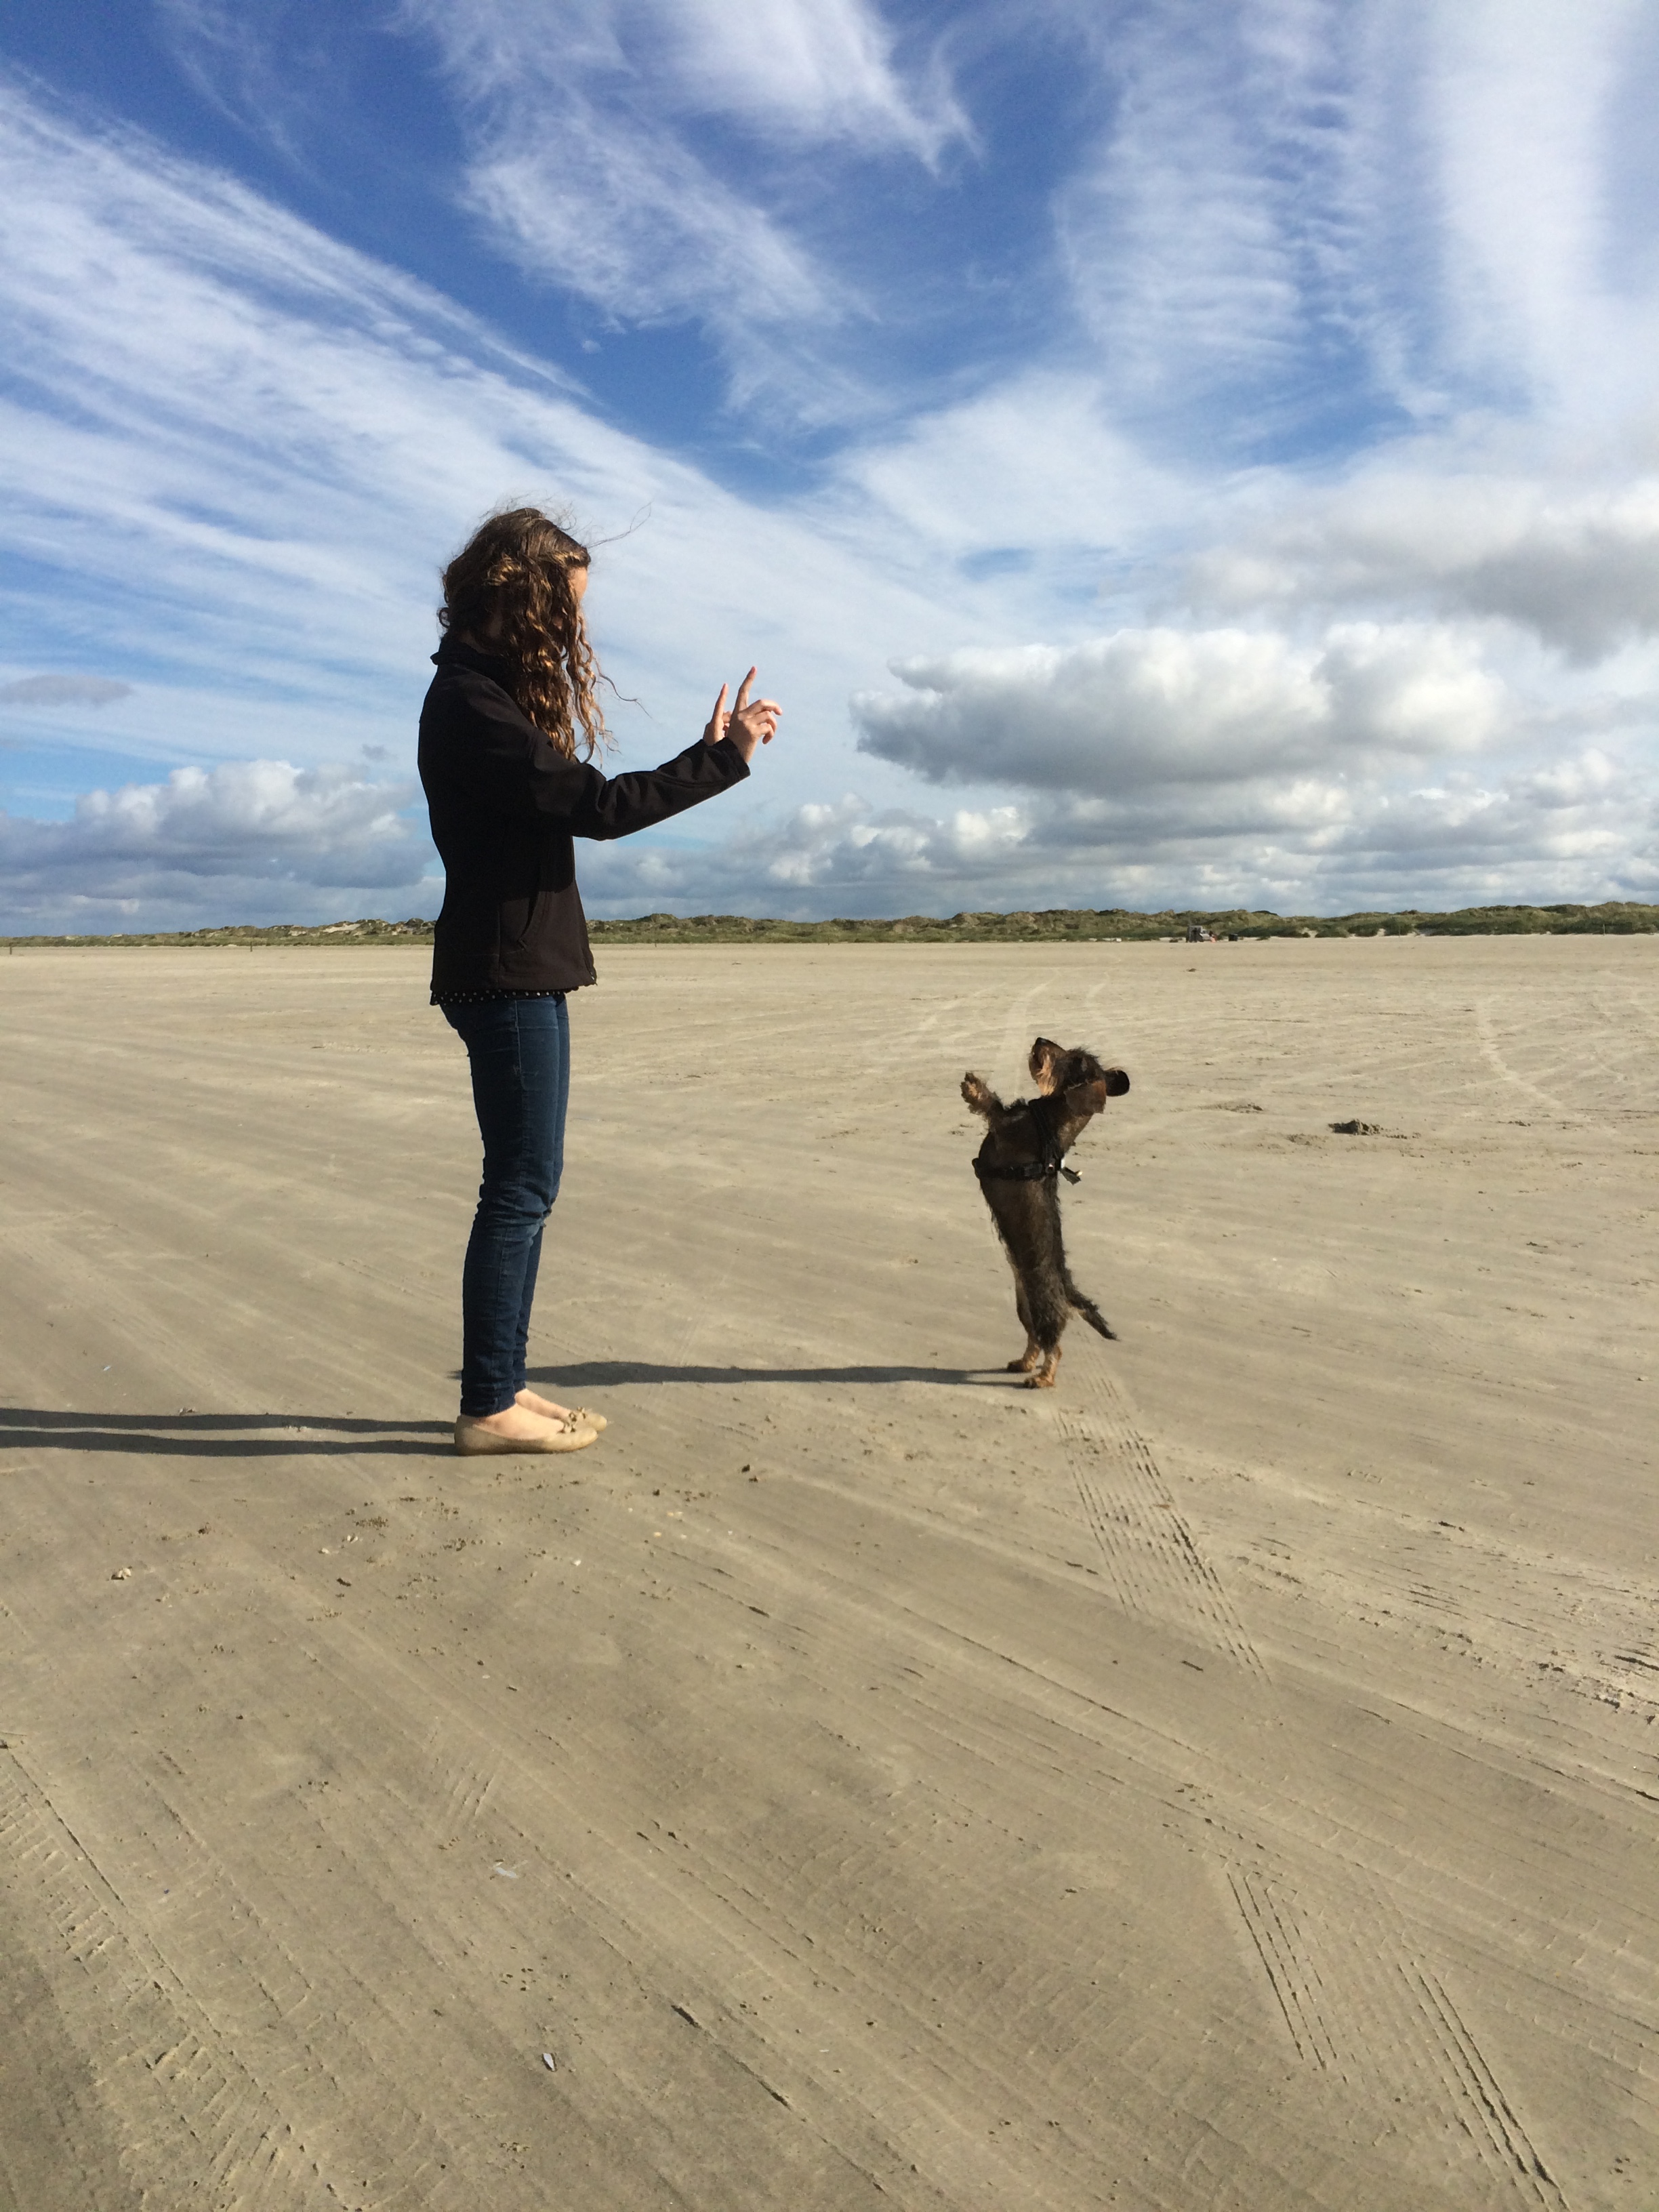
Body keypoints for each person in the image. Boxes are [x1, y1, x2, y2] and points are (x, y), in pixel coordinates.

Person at [418, 507, 781, 1456]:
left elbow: (583, 800)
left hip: (515, 964)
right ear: (523, 597)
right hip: (504, 971)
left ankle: (501, 1384)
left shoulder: (480, 697)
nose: (572, 632)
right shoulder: (471, 707)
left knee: (528, 1183)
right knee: (521, 1186)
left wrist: (707, 756)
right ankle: (488, 1404)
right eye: (565, 608)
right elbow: (602, 808)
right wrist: (724, 759)